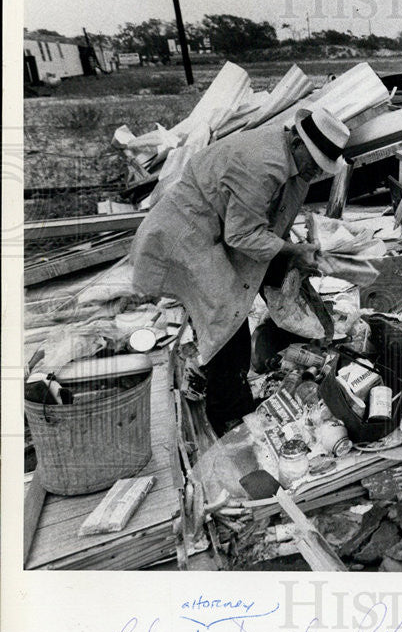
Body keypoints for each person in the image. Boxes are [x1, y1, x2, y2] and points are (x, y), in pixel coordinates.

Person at [131, 107, 350, 435]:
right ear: (298, 143)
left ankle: (284, 350)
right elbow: (242, 235)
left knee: (275, 281)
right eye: (313, 162)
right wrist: (293, 251)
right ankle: (230, 419)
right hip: (187, 234)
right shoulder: (260, 163)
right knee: (227, 325)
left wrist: (295, 257)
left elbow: (276, 224)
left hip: (218, 231)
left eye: (322, 168)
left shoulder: (293, 165)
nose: (315, 172)